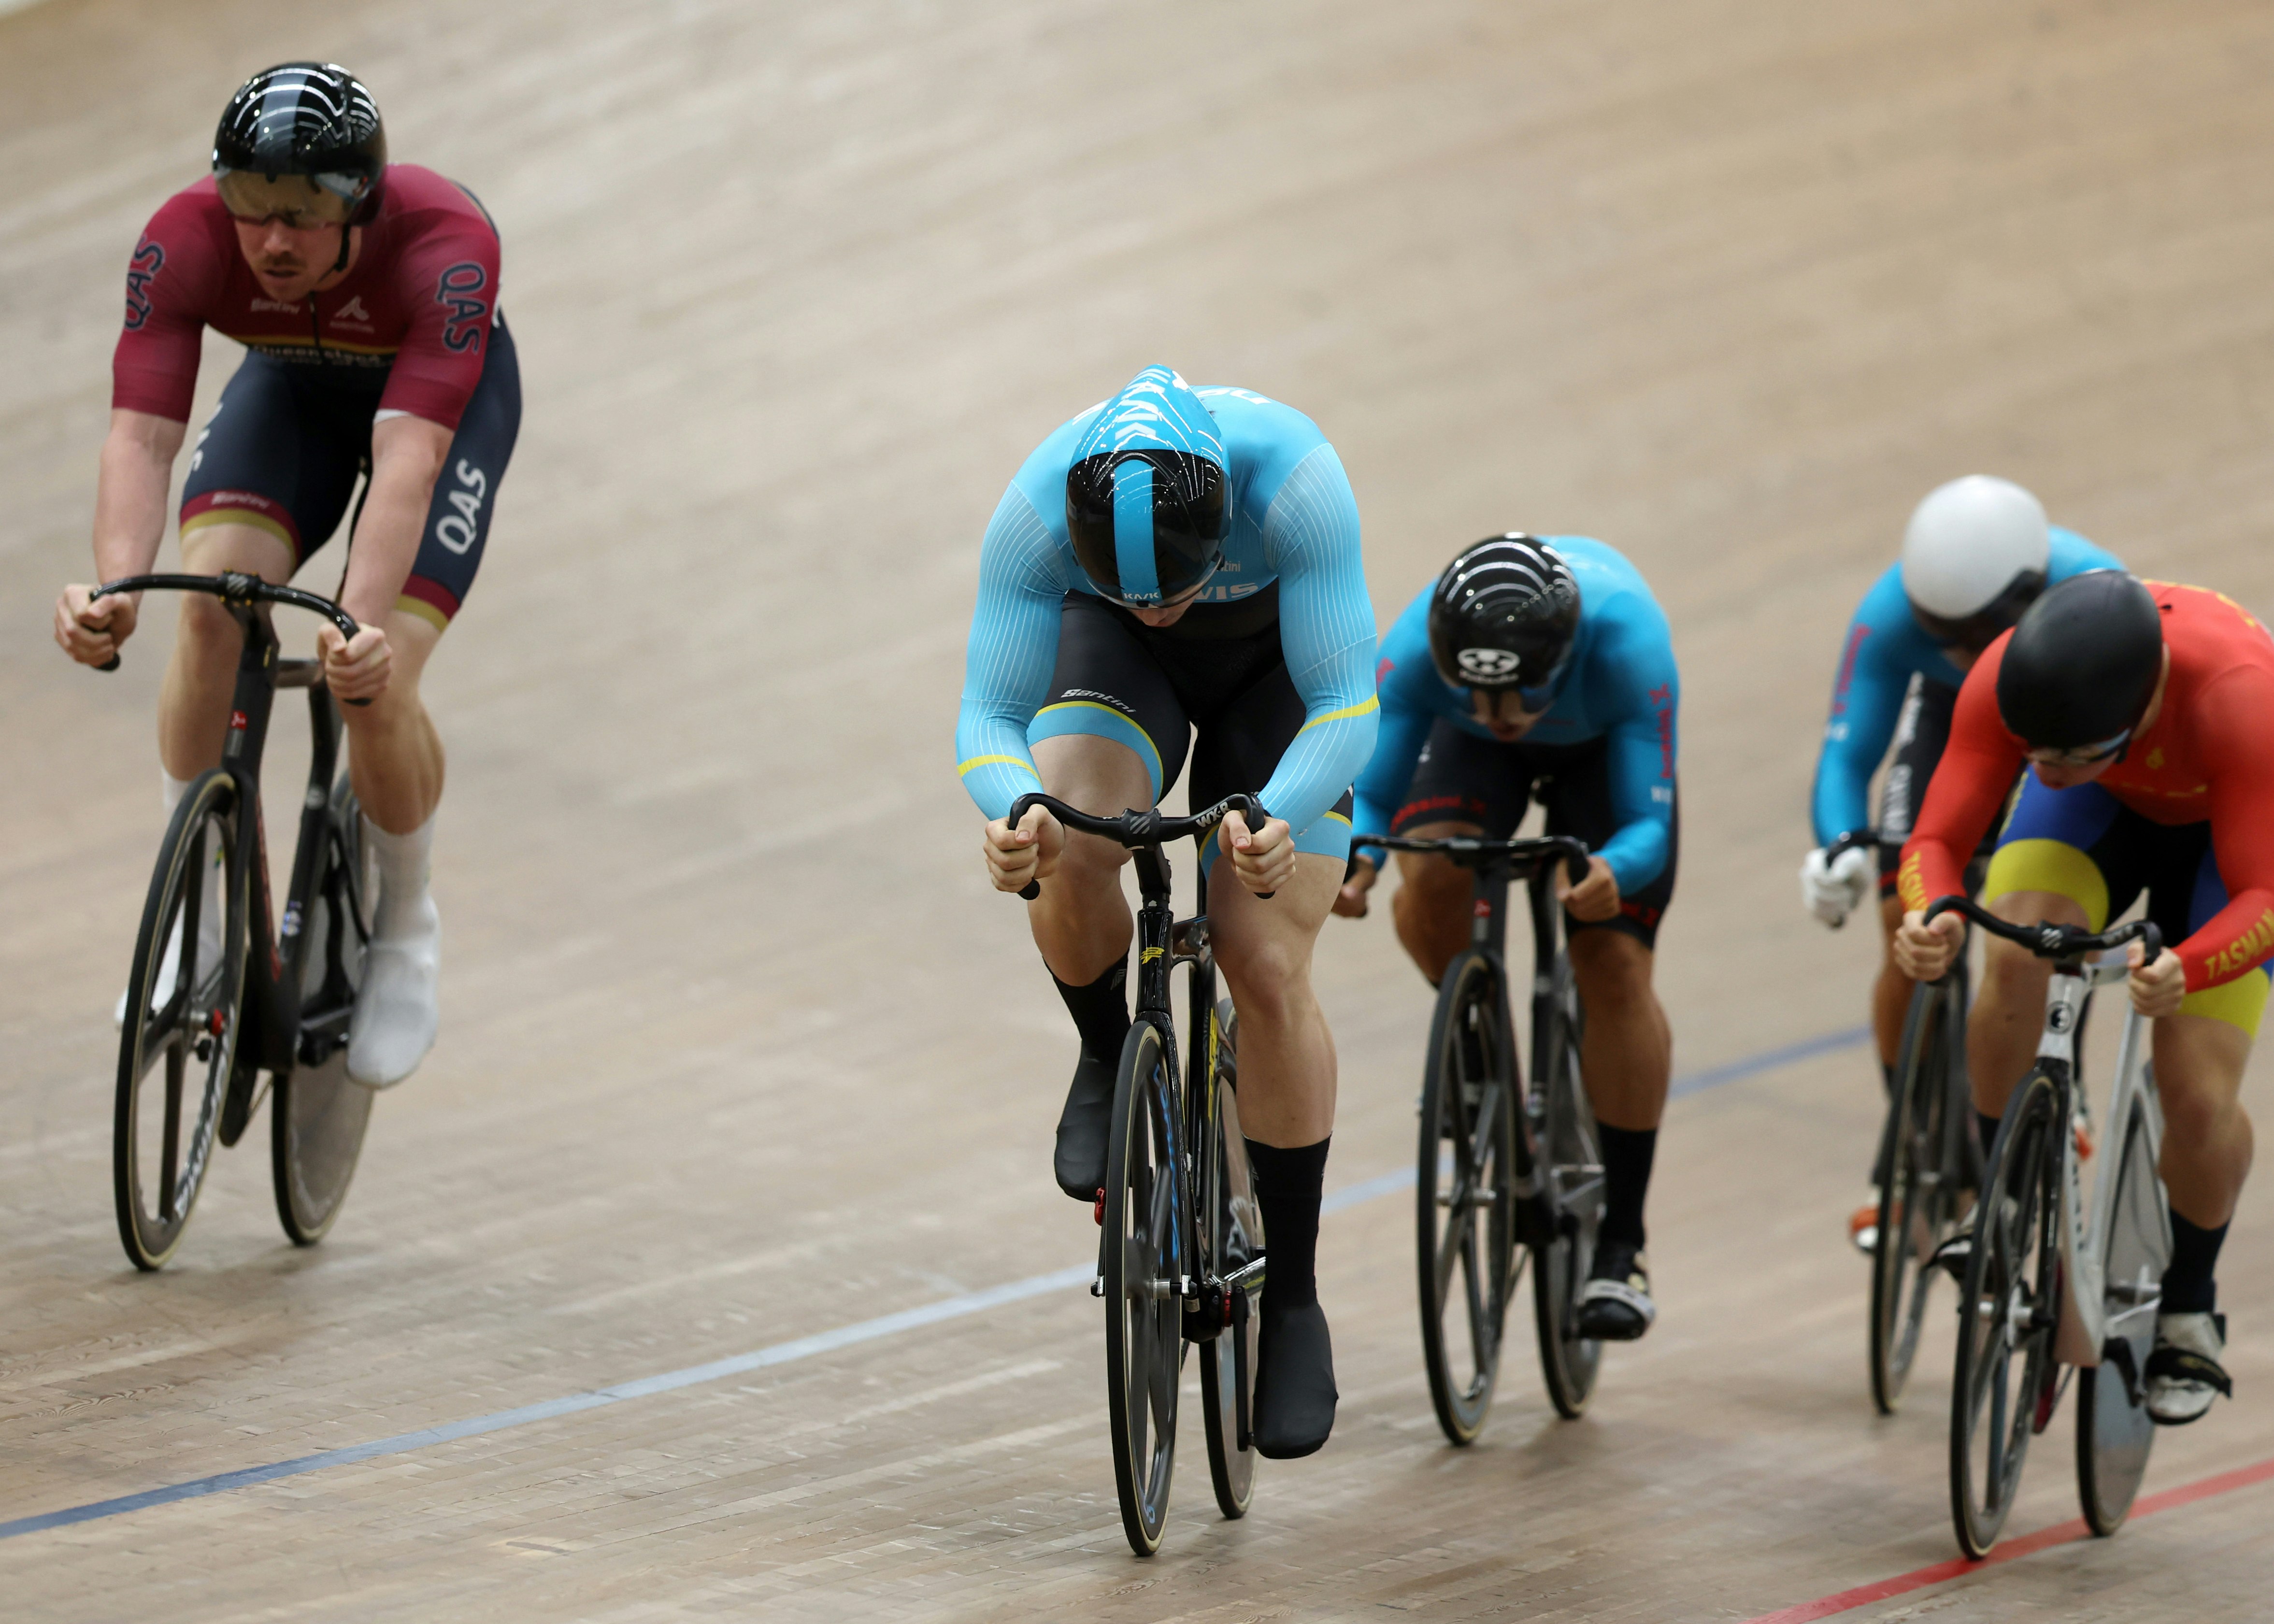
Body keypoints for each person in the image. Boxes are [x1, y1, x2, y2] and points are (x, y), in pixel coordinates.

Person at [52, 62, 518, 1088]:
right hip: (291, 394)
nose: (271, 239)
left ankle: (406, 927)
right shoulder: (183, 239)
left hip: (438, 415)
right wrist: (114, 589)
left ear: (362, 205)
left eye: (303, 214)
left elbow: (409, 460)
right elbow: (141, 436)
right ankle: (200, 915)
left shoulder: (443, 244)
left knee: (375, 678)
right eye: (251, 205)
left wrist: (357, 626)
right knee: (209, 608)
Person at [957, 367, 1377, 1459]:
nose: (1157, 606)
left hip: (1276, 677)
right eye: (1132, 589)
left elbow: (1346, 699)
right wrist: (1013, 811)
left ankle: (1294, 1297)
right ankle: (1108, 1047)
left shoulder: (1295, 481)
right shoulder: (1036, 506)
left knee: (1261, 958)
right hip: (1120, 671)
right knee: (1069, 840)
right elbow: (989, 714)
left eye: (1175, 585)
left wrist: (1280, 814)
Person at [1895, 571, 2274, 1425]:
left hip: (2230, 851)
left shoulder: (2241, 697)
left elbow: (2265, 895)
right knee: (2013, 960)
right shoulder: (2012, 682)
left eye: (2066, 754)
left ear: (2141, 712)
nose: (2044, 771)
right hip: (2107, 808)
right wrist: (1932, 912)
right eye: (2032, 752)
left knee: (2196, 1089)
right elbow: (1937, 837)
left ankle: (2190, 1305)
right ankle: (2000, 1198)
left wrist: (2192, 965)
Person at [1337, 534, 1677, 1340]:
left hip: (1602, 754)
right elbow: (1373, 796)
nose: (1502, 714)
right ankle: (1481, 1049)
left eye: (1522, 694)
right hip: (1472, 758)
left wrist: (1614, 870)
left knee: (1612, 961)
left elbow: (1648, 823)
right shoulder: (1416, 647)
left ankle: (1622, 1243)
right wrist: (1358, 862)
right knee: (1432, 874)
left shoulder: (1627, 644)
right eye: (1481, 693)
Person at [1799, 476, 2119, 1249]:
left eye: (1974, 635)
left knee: (2048, 911)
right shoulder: (1888, 615)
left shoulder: (2097, 594)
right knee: (1904, 920)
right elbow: (1847, 754)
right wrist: (1840, 844)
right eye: (1939, 635)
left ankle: (2064, 1072)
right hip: (1952, 721)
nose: (1959, 651)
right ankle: (1910, 1148)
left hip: (2055, 717)